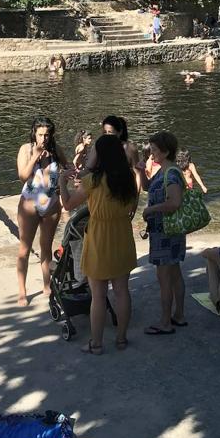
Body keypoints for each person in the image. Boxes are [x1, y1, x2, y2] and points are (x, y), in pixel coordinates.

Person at [58, 135, 138, 354]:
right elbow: (133, 205)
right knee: (122, 291)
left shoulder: (92, 181)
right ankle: (121, 339)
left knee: (98, 296)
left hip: (99, 238)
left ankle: (96, 343)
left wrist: (61, 184)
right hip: (122, 235)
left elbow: (67, 204)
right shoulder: (128, 177)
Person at [137, 131, 186, 335]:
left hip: (166, 233)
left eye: (155, 150)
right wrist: (140, 171)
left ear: (166, 151)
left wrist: (150, 210)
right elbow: (150, 188)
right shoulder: (164, 169)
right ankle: (179, 316)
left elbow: (174, 203)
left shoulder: (172, 172)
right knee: (174, 274)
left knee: (165, 277)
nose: (151, 154)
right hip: (168, 231)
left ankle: (165, 322)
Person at [16, 117, 68, 307]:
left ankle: (47, 285)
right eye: (40, 135)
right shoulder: (25, 149)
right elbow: (22, 176)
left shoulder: (56, 150)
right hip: (29, 203)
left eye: (47, 135)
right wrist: (35, 156)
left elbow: (67, 166)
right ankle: (22, 291)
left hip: (51, 203)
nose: (44, 138)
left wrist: (69, 175)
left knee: (46, 247)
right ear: (34, 133)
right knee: (24, 248)